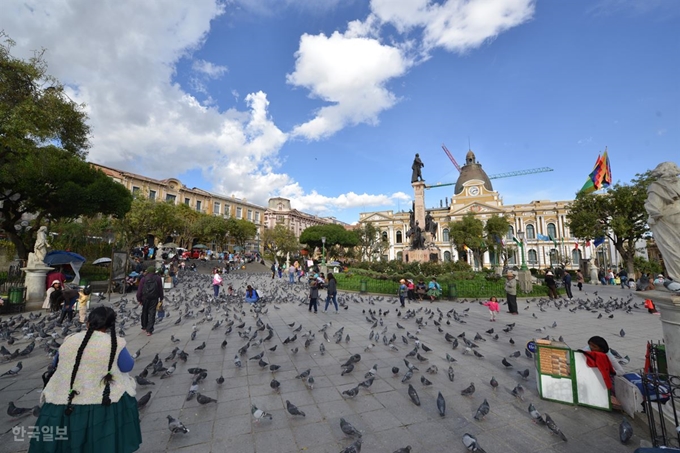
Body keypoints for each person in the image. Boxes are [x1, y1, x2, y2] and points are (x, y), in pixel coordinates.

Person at [30, 306, 141, 453]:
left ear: (88, 322)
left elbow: (56, 363)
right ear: (110, 326)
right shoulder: (115, 342)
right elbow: (127, 366)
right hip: (102, 401)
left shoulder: (70, 340)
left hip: (65, 398)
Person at [645, 162, 680, 284]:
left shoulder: (657, 186)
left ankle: (678, 277)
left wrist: (651, 215)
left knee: (672, 250)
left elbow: (654, 207)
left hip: (667, 221)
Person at [136, 266, 163, 336]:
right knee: (152, 313)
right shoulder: (158, 278)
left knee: (144, 312)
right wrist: (161, 298)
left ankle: (144, 327)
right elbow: (160, 289)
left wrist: (139, 299)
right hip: (154, 298)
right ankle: (149, 330)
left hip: (145, 298)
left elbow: (139, 291)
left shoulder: (143, 279)